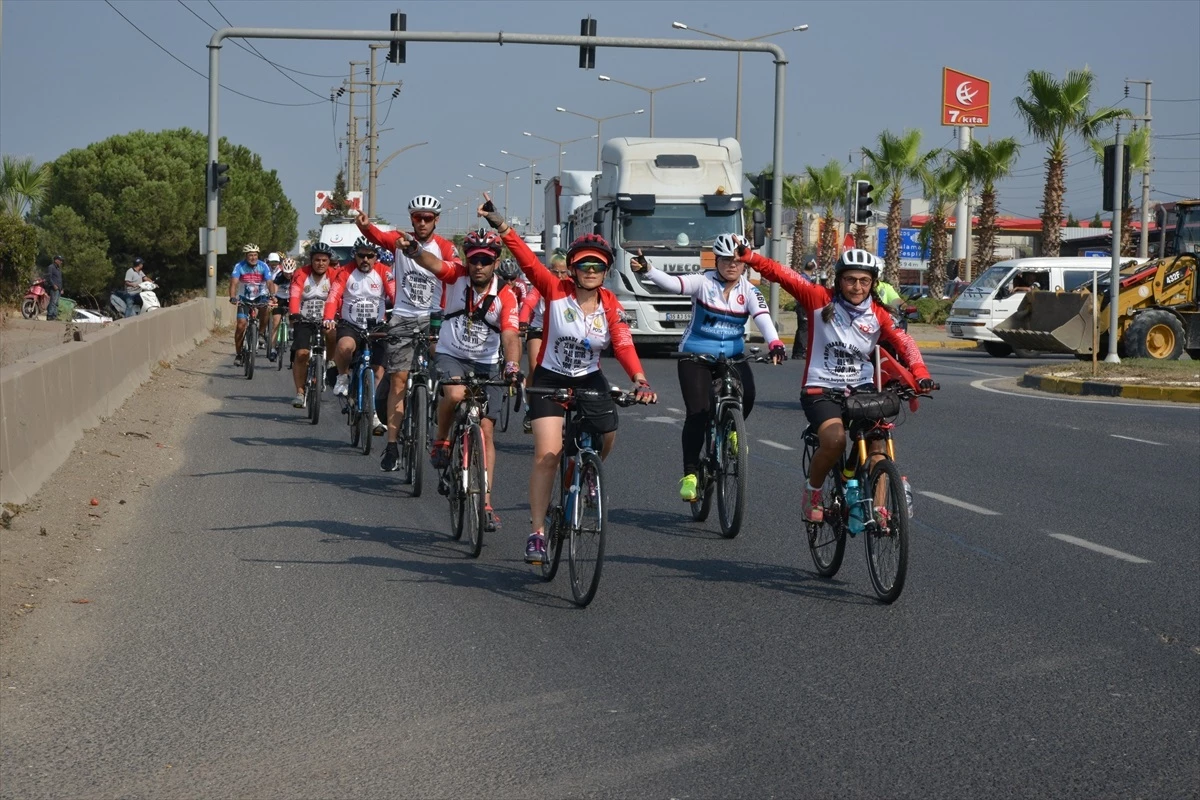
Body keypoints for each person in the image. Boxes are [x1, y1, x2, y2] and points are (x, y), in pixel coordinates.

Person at [477, 194, 657, 564]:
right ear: (573, 268)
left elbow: (622, 344)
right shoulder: (554, 290)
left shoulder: (611, 304)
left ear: (606, 270)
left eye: (598, 265)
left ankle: (587, 472)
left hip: (589, 378)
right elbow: (527, 260)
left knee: (607, 433)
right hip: (549, 378)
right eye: (583, 264)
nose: (590, 270)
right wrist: (499, 222)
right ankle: (538, 532)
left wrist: (640, 379)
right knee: (547, 455)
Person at [737, 245, 934, 523]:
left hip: (863, 387)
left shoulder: (879, 313)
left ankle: (879, 511)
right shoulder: (819, 299)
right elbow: (785, 275)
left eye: (864, 281)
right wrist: (752, 258)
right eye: (850, 279)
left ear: (873, 283)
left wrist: (921, 373)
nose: (857, 287)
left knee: (878, 444)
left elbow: (905, 342)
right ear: (839, 280)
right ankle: (813, 492)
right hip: (821, 389)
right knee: (835, 440)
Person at [630, 233, 786, 502]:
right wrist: (649, 269)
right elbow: (673, 283)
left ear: (744, 263)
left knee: (748, 395)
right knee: (698, 412)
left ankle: (733, 431)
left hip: (733, 356)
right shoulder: (702, 282)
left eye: (737, 260)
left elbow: (763, 317)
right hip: (696, 355)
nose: (732, 265)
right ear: (717, 261)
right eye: (726, 260)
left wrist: (775, 343)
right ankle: (690, 474)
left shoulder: (750, 291)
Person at [395, 227, 522, 531]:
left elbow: (510, 333)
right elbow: (433, 263)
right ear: (467, 259)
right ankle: (441, 439)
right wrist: (413, 249)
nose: (479, 266)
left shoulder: (506, 294)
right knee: (454, 395)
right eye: (474, 259)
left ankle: (487, 502)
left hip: (487, 363)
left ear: (496, 261)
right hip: (452, 355)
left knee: (487, 431)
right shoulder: (457, 276)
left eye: (486, 260)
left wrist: (513, 364)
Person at [354, 196, 458, 472]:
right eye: (417, 218)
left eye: (427, 218)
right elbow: (377, 235)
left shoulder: (446, 248)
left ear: (437, 220)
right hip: (402, 316)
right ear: (411, 219)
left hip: (436, 316)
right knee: (398, 380)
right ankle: (391, 445)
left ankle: (442, 426)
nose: (422, 223)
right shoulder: (400, 241)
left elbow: (455, 273)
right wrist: (365, 227)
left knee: (448, 374)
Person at [324, 237, 396, 397]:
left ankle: (375, 410)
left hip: (377, 325)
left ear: (376, 257)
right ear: (354, 255)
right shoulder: (345, 271)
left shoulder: (385, 271)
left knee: (379, 370)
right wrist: (328, 317)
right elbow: (333, 296)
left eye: (370, 256)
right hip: (351, 325)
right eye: (361, 255)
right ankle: (342, 377)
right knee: (344, 347)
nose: (365, 260)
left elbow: (395, 295)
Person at [518, 248, 572, 433]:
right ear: (549, 271)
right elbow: (528, 304)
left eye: (563, 271)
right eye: (554, 271)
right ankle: (530, 408)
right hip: (539, 331)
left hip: (561, 333)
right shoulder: (542, 285)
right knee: (535, 368)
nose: (559, 275)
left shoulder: (573, 286)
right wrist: (523, 321)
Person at [286, 244, 338, 408]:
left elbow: (340, 296)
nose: (320, 263)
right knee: (301, 354)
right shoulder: (301, 273)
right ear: (311, 260)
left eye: (324, 260)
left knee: (331, 334)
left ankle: (330, 361)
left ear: (329, 261)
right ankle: (300, 393)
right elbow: (294, 294)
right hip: (304, 318)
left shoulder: (335, 275)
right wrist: (294, 313)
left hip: (327, 319)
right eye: (317, 260)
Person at [228, 244, 276, 366]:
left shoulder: (263, 266)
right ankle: (239, 354)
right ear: (246, 256)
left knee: (266, 308)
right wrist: (233, 297)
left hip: (260, 296)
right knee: (241, 326)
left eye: (255, 255)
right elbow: (233, 283)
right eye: (250, 255)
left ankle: (260, 333)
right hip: (244, 298)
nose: (253, 257)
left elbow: (269, 282)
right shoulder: (239, 266)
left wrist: (272, 295)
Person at [267, 254, 294, 362]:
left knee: (293, 314)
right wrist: (273, 298)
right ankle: (273, 349)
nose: (288, 275)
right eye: (286, 272)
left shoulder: (296, 276)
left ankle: (292, 329)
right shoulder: (279, 276)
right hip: (280, 298)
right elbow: (275, 288)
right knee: (275, 323)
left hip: (292, 298)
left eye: (290, 272)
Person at [793, 258, 818, 358]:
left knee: (802, 328)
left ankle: (798, 351)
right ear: (813, 269)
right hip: (803, 306)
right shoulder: (805, 279)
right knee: (804, 329)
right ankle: (800, 352)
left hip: (801, 306)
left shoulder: (802, 277)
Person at [44, 255, 64, 320]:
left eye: (61, 260)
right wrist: (53, 285)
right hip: (54, 288)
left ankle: (54, 316)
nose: (61, 262)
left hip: (59, 289)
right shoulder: (51, 267)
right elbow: (48, 277)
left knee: (56, 303)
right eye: (60, 260)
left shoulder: (58, 269)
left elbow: (60, 279)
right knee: (53, 302)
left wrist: (61, 288)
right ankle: (49, 315)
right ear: (56, 260)